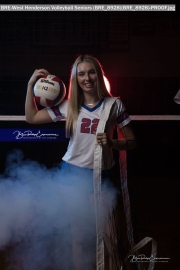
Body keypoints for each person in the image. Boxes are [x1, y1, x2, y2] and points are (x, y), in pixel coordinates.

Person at [25, 54, 136, 270]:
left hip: (102, 174)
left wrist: (113, 142)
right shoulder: (69, 106)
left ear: (99, 74)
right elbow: (31, 118)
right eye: (81, 74)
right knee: (78, 236)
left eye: (91, 72)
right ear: (75, 78)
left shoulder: (114, 104)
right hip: (72, 175)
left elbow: (131, 142)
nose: (87, 78)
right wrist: (31, 85)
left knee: (109, 237)